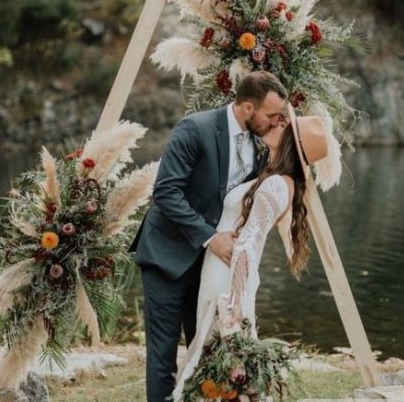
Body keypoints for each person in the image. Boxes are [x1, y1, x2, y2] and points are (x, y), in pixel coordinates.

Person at [130, 71, 287, 402]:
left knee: (204, 350)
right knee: (163, 356)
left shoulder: (260, 147)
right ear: (248, 107)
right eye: (272, 115)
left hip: (209, 267)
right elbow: (166, 193)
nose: (276, 122)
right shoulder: (195, 128)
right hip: (167, 256)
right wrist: (210, 237)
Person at [172, 103, 329, 401]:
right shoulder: (269, 176)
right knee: (213, 354)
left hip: (228, 274)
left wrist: (234, 301)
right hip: (220, 268)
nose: (277, 122)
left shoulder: (276, 186)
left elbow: (248, 244)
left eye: (284, 124)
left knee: (220, 351)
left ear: (291, 143)